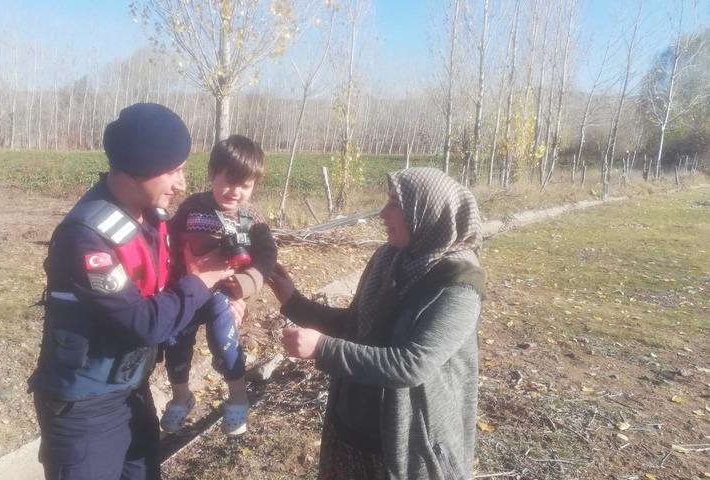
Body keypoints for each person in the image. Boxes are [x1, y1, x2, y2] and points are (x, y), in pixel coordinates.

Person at [29, 103, 241, 480]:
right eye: (172, 170)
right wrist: (203, 280)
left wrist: (223, 298)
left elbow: (175, 291)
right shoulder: (86, 238)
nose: (182, 183)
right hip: (84, 410)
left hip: (131, 392)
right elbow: (144, 321)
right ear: (137, 170)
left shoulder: (152, 217)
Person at [268, 167, 486, 480]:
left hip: (405, 444)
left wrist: (321, 348)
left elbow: (412, 365)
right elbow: (353, 326)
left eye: (395, 204)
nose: (382, 213)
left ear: (426, 212)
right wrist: (293, 302)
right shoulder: (390, 259)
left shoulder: (459, 285)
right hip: (352, 426)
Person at [160, 135, 277, 435]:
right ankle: (181, 397)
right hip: (186, 288)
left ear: (255, 186)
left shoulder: (253, 220)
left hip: (223, 293)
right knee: (175, 341)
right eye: (229, 181)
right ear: (212, 173)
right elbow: (168, 241)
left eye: (246, 185)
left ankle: (238, 396)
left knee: (225, 340)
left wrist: (244, 285)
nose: (235, 192)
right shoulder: (192, 207)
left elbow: (266, 257)